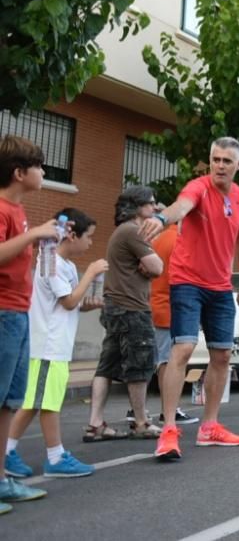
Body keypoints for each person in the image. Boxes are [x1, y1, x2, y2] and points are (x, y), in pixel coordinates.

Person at [140, 137, 239, 461]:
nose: (219, 165)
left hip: (220, 287)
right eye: (215, 159)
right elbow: (182, 206)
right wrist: (163, 219)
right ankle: (169, 429)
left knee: (221, 357)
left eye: (226, 161)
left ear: (238, 165)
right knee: (184, 349)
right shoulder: (198, 188)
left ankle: (209, 427)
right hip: (187, 281)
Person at [5, 208, 106, 480]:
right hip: (47, 346)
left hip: (56, 345)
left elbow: (73, 303)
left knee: (36, 401)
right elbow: (68, 301)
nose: (90, 243)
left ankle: (7, 450)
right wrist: (91, 273)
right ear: (71, 235)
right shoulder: (49, 261)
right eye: (89, 236)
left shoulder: (68, 266)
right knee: (47, 403)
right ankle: (55, 456)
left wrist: (90, 303)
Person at [0, 135, 58, 509]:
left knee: (8, 402)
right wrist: (36, 234)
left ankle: (3, 480)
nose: (43, 172)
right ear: (20, 173)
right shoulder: (3, 209)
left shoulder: (19, 212)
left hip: (18, 314)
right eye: (39, 166)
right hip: (3, 313)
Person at [86, 186, 163, 442]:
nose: (155, 207)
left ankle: (95, 424)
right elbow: (158, 266)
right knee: (139, 365)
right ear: (137, 206)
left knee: (106, 365)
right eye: (150, 203)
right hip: (132, 308)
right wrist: (150, 266)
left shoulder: (123, 231)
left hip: (115, 307)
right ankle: (141, 422)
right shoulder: (132, 230)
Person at [140, 212, 198, 426]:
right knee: (167, 361)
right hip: (169, 308)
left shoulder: (159, 239)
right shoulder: (180, 242)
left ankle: (138, 409)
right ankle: (169, 411)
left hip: (153, 304)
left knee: (153, 360)